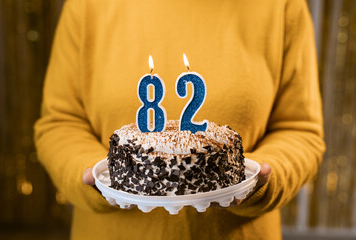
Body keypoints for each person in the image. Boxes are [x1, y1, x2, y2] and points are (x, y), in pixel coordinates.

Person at [34, 0, 325, 239]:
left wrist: (258, 183)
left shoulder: (281, 6)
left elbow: (299, 129)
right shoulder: (87, 5)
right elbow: (60, 122)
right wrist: (99, 177)